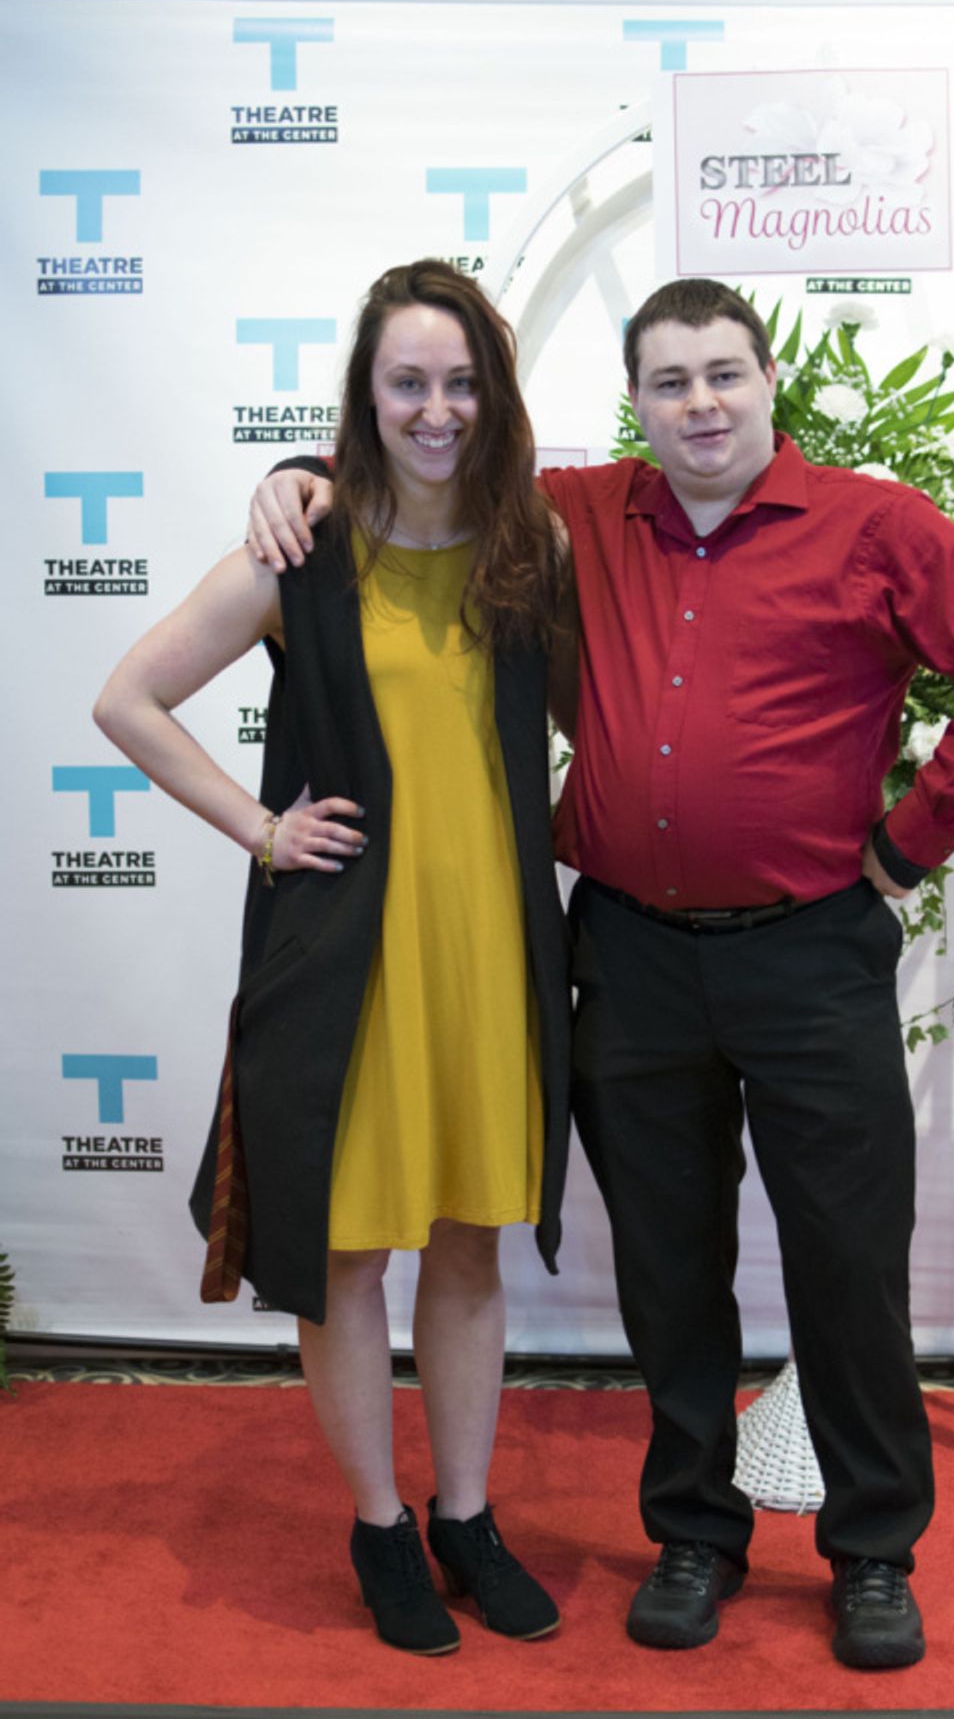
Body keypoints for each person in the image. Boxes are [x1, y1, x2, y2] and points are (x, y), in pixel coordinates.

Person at [248, 278, 954, 1670]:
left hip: (811, 954)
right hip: (631, 955)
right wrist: (299, 474)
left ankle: (873, 1550)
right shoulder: (579, 513)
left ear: (769, 383)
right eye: (670, 381)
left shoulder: (875, 526)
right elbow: (427, 456)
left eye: (723, 374)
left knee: (847, 1263)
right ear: (636, 402)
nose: (701, 403)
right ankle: (695, 1531)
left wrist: (910, 840)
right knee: (668, 1265)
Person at [94, 260, 572, 1658]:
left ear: (495, 393)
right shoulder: (299, 546)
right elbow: (129, 698)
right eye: (407, 381)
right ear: (366, 394)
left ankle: (466, 1515)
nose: (437, 409)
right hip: (351, 960)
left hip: (490, 950)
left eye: (461, 381)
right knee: (350, 1256)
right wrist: (261, 828)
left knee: (471, 1241)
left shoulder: (529, 544)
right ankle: (379, 1527)